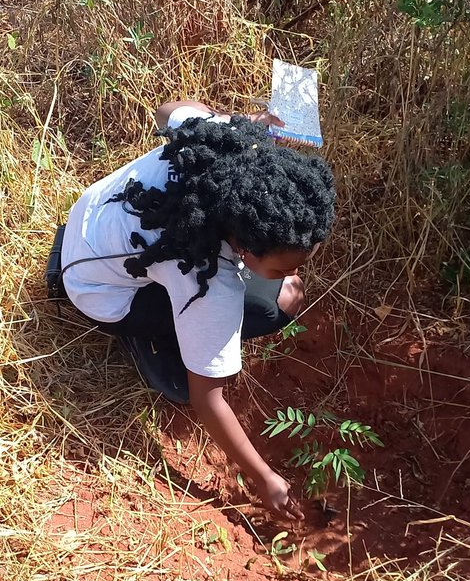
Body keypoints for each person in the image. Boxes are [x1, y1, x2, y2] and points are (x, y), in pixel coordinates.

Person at [57, 100, 336, 517]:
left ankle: (178, 329)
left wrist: (241, 122)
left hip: (91, 226)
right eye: (283, 263)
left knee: (278, 290)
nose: (294, 271)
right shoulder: (204, 277)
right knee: (277, 303)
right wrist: (265, 479)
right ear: (242, 246)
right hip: (98, 292)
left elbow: (167, 110)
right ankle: (149, 343)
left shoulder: (214, 143)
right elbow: (208, 400)